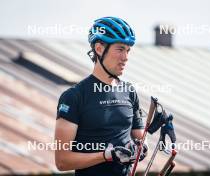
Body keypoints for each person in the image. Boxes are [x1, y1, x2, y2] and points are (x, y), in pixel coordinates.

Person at [54, 16, 148, 176]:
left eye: (128, 50)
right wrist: (106, 156)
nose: (125, 57)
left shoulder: (129, 91)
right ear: (99, 48)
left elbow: (140, 138)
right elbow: (62, 161)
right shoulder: (74, 97)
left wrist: (142, 146)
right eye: (120, 49)